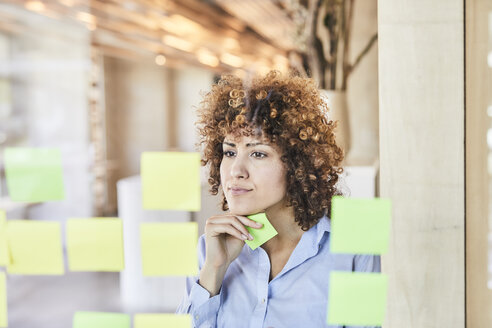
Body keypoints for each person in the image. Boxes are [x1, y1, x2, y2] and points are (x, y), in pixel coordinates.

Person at [176, 70, 380, 328]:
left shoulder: (353, 248)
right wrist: (214, 270)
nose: (236, 171)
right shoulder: (211, 250)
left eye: (258, 154)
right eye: (229, 152)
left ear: (298, 165)